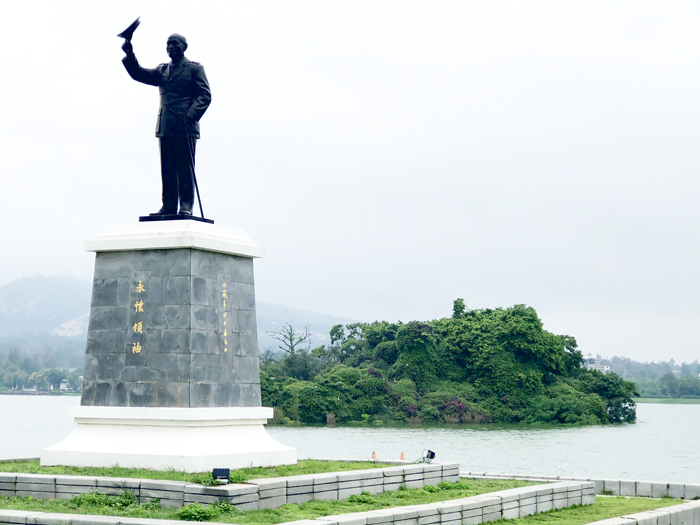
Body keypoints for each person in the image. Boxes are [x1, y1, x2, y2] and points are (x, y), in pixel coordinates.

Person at [121, 34, 212, 216]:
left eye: (174, 43)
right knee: (167, 169)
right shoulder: (162, 70)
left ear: (184, 47)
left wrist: (192, 114)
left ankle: (185, 206)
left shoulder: (194, 69)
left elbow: (205, 94)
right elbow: (139, 73)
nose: (170, 47)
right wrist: (130, 55)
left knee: (184, 169)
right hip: (166, 125)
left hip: (185, 126)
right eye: (167, 44)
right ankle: (169, 206)